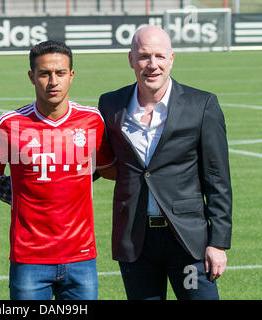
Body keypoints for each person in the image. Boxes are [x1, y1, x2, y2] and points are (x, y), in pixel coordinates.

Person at [0, 40, 116, 300]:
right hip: (29, 259)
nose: (53, 81)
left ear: (71, 76)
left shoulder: (92, 121)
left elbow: (111, 170)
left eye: (60, 73)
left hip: (81, 258)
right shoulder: (10, 125)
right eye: (44, 74)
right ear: (31, 76)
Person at [98, 25, 232, 300]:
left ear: (172, 59)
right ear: (131, 59)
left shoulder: (202, 105)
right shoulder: (111, 104)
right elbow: (97, 163)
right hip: (136, 240)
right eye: (145, 56)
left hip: (187, 242)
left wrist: (218, 243)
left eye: (160, 56)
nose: (153, 65)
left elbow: (217, 179)